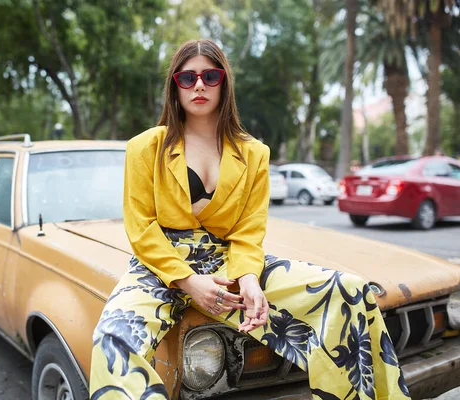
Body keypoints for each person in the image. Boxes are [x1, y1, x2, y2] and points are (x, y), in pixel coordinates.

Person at [90, 39, 410, 400]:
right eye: (187, 78)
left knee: (349, 290)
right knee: (113, 337)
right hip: (160, 262)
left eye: (210, 76)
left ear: (224, 83)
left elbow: (248, 231)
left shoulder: (254, 153)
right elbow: (141, 227)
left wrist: (249, 280)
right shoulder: (145, 147)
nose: (199, 85)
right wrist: (189, 282)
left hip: (227, 261)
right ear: (174, 86)